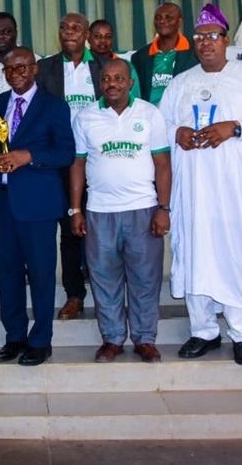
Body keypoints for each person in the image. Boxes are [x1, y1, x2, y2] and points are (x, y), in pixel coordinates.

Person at [158, 4, 242, 366]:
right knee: (197, 253)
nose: (205, 44)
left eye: (212, 36)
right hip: (195, 191)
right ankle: (203, 332)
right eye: (199, 38)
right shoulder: (181, 83)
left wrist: (235, 128)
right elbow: (160, 127)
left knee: (236, 255)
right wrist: (177, 133)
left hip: (237, 193)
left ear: (226, 40)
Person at [69, 60, 171, 364]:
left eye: (118, 78)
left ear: (130, 82)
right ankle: (112, 339)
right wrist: (75, 210)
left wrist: (163, 208)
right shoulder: (86, 117)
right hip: (100, 211)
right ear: (99, 84)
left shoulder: (150, 114)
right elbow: (78, 164)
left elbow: (163, 164)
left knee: (145, 278)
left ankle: (145, 339)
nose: (111, 83)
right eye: (106, 79)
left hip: (143, 208)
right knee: (104, 278)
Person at [0, 47, 75, 366]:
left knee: (40, 275)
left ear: (35, 69)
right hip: (4, 203)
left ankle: (41, 340)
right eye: (10, 70)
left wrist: (29, 156)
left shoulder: (54, 107)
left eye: (23, 68)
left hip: (39, 206)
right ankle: (15, 337)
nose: (17, 74)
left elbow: (66, 153)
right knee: (9, 275)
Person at [35, 12, 105, 321]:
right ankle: (74, 295)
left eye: (76, 27)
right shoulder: (47, 69)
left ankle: (108, 297)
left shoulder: (105, 67)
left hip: (102, 162)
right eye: (63, 27)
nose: (69, 32)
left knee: (103, 231)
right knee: (70, 231)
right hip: (62, 162)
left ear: (87, 33)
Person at [130, 3, 198, 105]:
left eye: (169, 18)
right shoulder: (139, 57)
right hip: (150, 117)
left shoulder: (195, 52)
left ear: (180, 22)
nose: (162, 21)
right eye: (158, 18)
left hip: (183, 115)